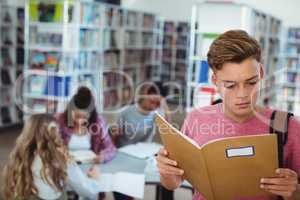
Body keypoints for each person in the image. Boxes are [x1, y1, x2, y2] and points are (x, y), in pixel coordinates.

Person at [156, 30, 300, 200]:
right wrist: (166, 173)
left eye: (251, 82)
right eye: (230, 85)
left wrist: (295, 191)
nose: (242, 94)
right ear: (215, 81)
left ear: (260, 73)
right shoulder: (196, 119)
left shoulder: (289, 127)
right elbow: (173, 184)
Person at [2, 114, 103, 200]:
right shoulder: (61, 160)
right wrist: (95, 179)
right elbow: (89, 192)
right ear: (55, 134)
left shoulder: (18, 158)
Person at [110, 82, 173, 200]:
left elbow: (168, 131)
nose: (154, 106)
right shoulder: (126, 112)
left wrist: (164, 105)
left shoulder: (156, 113)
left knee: (167, 175)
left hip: (144, 156)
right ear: (145, 95)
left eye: (157, 103)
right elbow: (113, 139)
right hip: (124, 155)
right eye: (152, 102)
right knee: (123, 185)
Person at [56, 86, 116, 164]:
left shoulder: (98, 122)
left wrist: (103, 157)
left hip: (90, 165)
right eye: (77, 116)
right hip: (64, 165)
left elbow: (111, 148)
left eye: (84, 117)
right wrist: (60, 154)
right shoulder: (59, 121)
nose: (79, 121)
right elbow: (48, 147)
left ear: (91, 114)